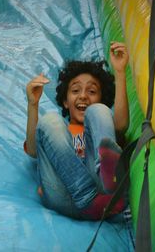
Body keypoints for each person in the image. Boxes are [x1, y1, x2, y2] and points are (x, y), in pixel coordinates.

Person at [24, 41, 130, 220]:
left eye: (92, 91)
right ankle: (88, 198)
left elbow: (120, 125)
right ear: (65, 101)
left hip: (101, 189)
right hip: (61, 193)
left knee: (98, 111)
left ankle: (109, 177)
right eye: (75, 90)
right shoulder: (59, 131)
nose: (83, 95)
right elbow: (34, 151)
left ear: (101, 97)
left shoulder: (99, 126)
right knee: (49, 121)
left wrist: (119, 73)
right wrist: (33, 104)